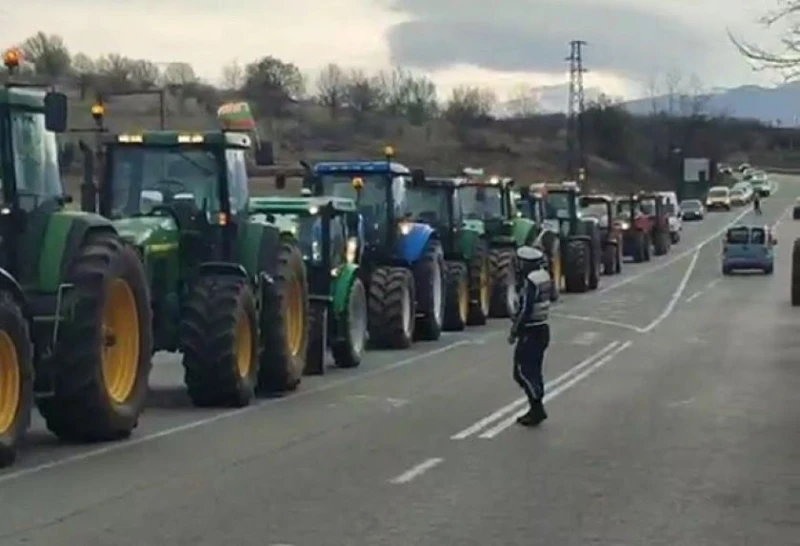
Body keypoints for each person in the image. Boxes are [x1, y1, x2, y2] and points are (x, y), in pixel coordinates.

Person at [507, 246, 552, 427]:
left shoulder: (530, 281)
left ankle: (537, 407)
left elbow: (526, 308)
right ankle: (535, 406)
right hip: (542, 328)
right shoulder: (544, 276)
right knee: (534, 371)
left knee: (522, 372)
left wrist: (514, 331)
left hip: (530, 330)